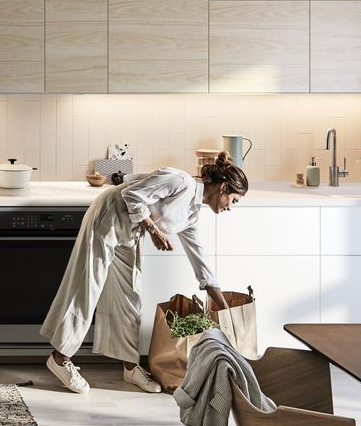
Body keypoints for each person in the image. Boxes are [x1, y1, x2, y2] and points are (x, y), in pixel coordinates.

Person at [40, 152, 249, 394]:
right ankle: (59, 358)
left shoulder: (191, 214)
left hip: (131, 231)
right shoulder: (180, 181)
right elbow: (130, 194)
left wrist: (224, 309)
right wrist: (154, 231)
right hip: (108, 215)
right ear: (223, 187)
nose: (230, 208)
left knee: (130, 296)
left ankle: (130, 367)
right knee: (89, 286)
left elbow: (200, 261)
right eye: (233, 200)